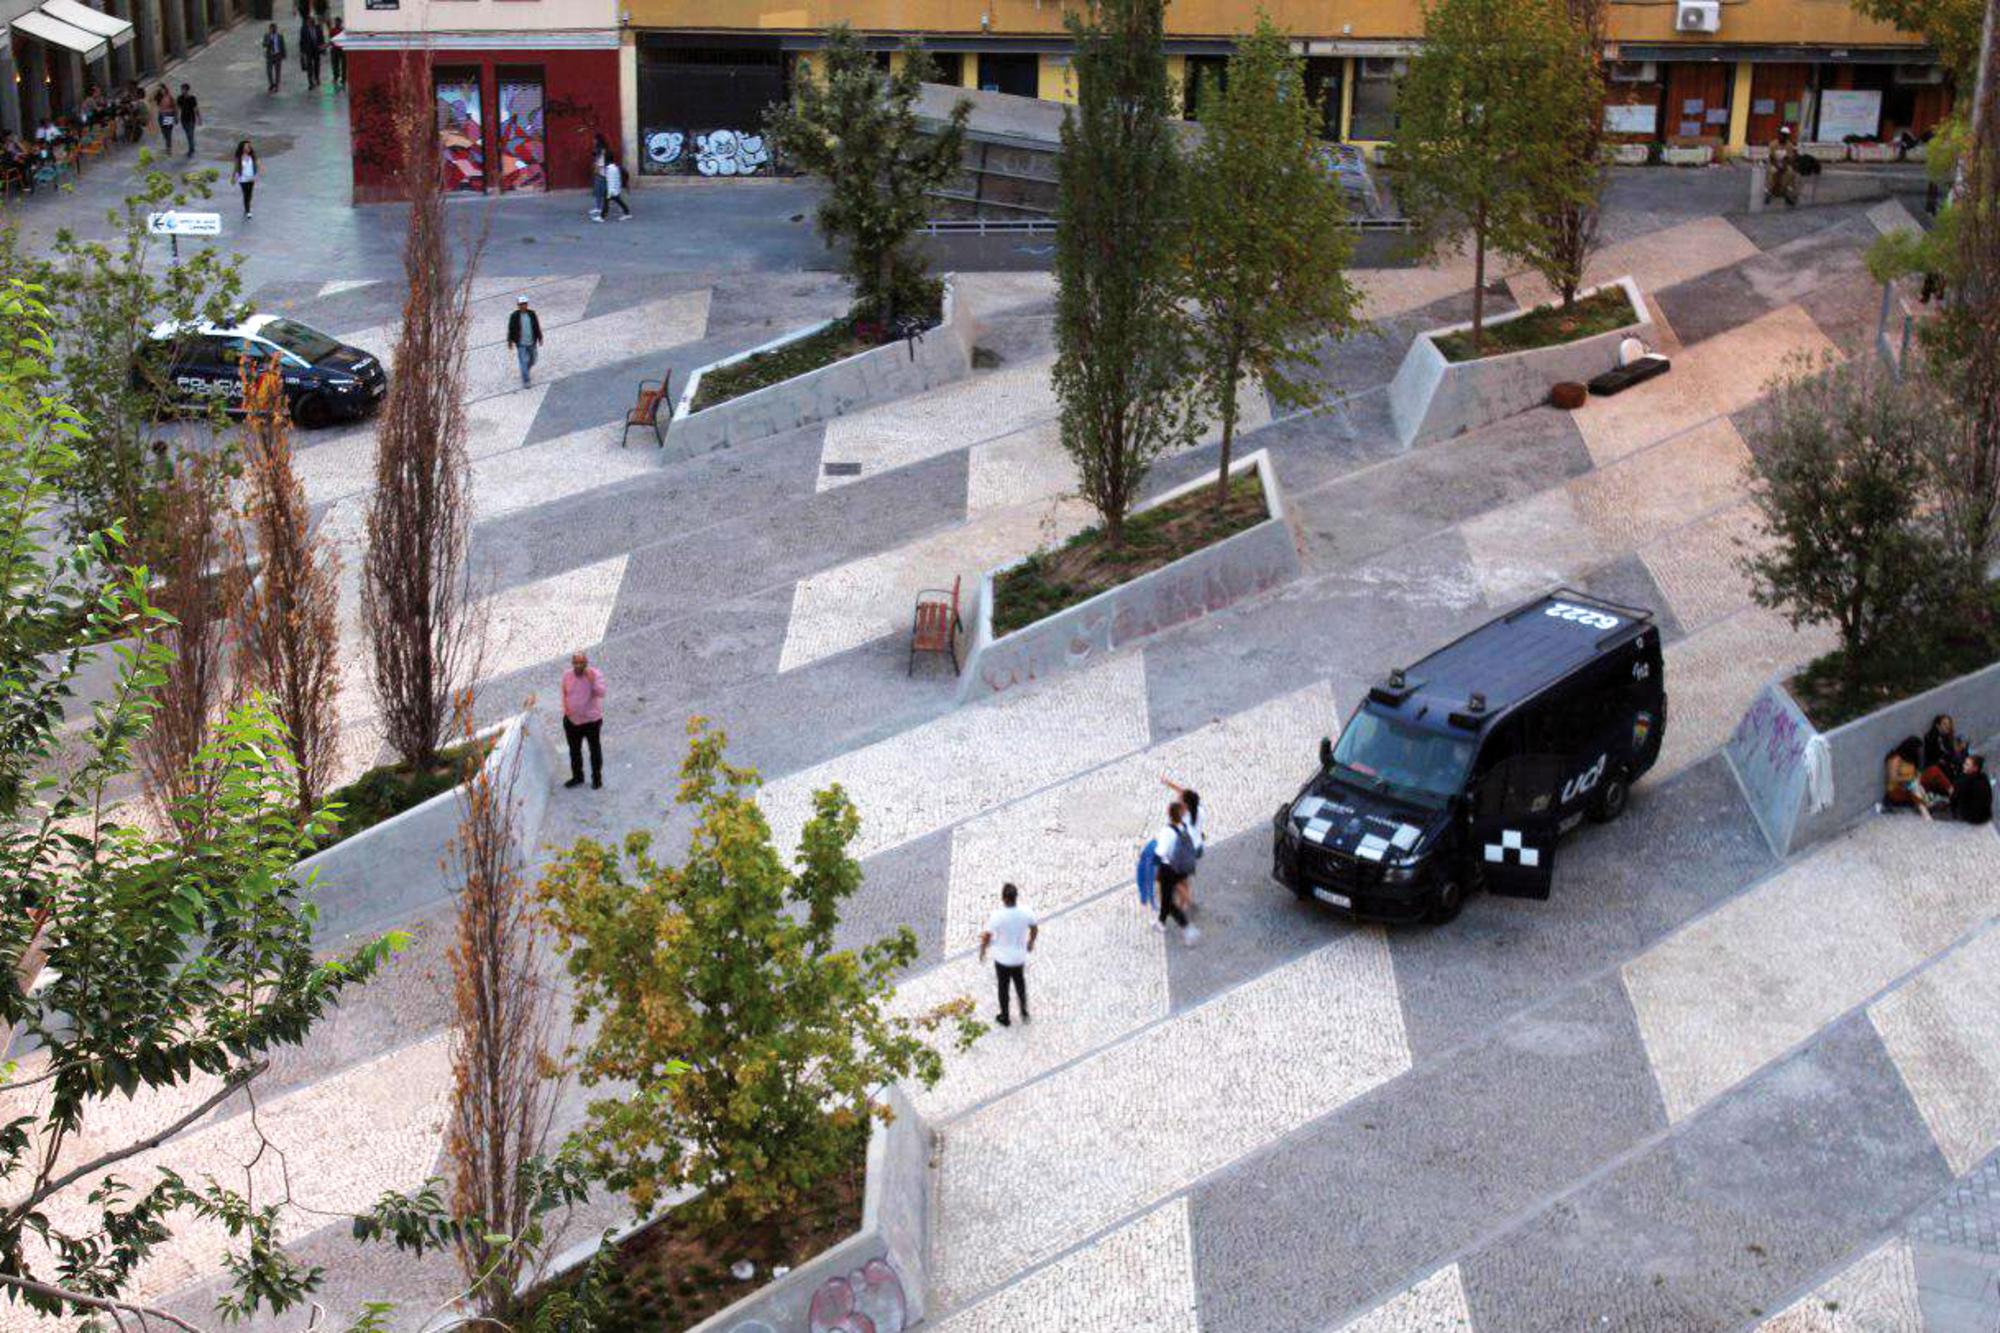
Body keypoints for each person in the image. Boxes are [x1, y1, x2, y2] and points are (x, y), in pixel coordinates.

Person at [978, 883, 1038, 1027]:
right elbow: (1034, 928)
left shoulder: (997, 916)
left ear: (1003, 898)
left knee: (1003, 987)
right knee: (1020, 984)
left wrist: (982, 951)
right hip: (1018, 957)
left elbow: (987, 936)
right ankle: (1024, 1012)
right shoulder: (1026, 912)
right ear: (1016, 897)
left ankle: (1005, 1017)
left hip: (1002, 959)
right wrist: (1030, 942)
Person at [1154, 802, 1200, 944]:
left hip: (1168, 869)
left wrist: (1155, 868)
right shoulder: (1185, 827)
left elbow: (1160, 852)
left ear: (1169, 814)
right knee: (1167, 897)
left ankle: (1187, 928)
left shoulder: (1167, 831)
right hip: (1181, 868)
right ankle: (1161, 923)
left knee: (1167, 901)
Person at [559, 652, 605, 790]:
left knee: (594, 750)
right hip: (572, 721)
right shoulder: (567, 675)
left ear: (586, 663)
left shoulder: (595, 674)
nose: (578, 666)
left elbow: (601, 693)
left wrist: (591, 681)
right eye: (575, 663)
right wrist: (565, 709)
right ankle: (577, 777)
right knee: (574, 751)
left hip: (591, 721)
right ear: (572, 664)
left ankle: (597, 778)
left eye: (581, 663)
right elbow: (564, 693)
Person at [506, 294, 543, 388]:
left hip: (531, 341)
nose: (523, 306)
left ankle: (525, 370)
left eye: (525, 304)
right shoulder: (514, 316)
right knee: (523, 361)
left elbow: (536, 326)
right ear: (518, 305)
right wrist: (510, 341)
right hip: (521, 343)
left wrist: (540, 337)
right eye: (521, 304)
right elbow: (511, 329)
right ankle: (526, 380)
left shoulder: (531, 314)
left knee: (533, 359)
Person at [1765, 126, 1801, 209]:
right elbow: (1771, 157)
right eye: (1782, 135)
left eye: (1786, 135)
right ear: (1779, 135)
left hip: (1784, 163)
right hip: (1774, 163)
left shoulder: (1789, 145)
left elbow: (1788, 158)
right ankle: (1768, 192)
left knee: (1791, 172)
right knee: (1771, 172)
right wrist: (1777, 166)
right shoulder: (1773, 144)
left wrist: (1784, 166)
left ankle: (1785, 191)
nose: (1783, 137)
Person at [1952, 754, 1992, 826]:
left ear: (1975, 768)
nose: (1964, 766)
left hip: (1971, 818)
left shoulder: (1965, 781)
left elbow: (1955, 797)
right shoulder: (1984, 778)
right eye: (1965, 764)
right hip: (1985, 816)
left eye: (1967, 765)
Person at [231, 140, 258, 218]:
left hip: (251, 178)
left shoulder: (252, 156)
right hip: (243, 179)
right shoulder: (239, 158)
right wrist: (233, 178)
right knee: (246, 194)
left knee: (250, 194)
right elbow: (236, 168)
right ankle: (248, 210)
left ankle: (247, 206)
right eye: (246, 146)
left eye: (249, 146)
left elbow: (255, 164)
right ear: (242, 148)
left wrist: (257, 173)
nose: (248, 148)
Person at [601, 155, 632, 220]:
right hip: (613, 189)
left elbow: (611, 180)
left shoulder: (610, 169)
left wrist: (611, 191)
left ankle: (603, 216)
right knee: (613, 201)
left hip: (611, 189)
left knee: (614, 201)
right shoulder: (614, 167)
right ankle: (603, 216)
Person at [588, 134, 610, 219]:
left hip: (602, 174)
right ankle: (598, 208)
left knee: (602, 192)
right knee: (598, 192)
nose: (593, 141)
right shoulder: (599, 150)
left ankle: (602, 209)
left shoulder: (602, 151)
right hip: (599, 173)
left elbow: (601, 163)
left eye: (595, 140)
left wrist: (596, 169)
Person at [301, 15, 324, 90]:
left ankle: (317, 78)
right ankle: (310, 82)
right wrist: (302, 51)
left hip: (316, 49)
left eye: (311, 21)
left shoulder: (318, 28)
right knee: (309, 66)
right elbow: (302, 41)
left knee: (317, 65)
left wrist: (322, 48)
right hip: (308, 51)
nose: (310, 23)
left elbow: (321, 38)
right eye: (309, 22)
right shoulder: (304, 30)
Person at [176, 84, 199, 157]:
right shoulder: (180, 98)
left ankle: (191, 149)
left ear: (187, 90)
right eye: (182, 89)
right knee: (188, 134)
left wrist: (199, 118)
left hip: (191, 119)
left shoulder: (192, 98)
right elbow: (178, 108)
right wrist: (176, 117)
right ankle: (192, 146)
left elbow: (195, 108)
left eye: (183, 89)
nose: (182, 91)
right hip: (183, 119)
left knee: (190, 134)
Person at [263, 24, 287, 93]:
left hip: (277, 55)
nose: (272, 30)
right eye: (271, 29)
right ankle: (271, 84)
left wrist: (284, 55)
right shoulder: (266, 36)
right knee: (269, 71)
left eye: (274, 29)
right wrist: (269, 40)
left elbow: (283, 45)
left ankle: (277, 85)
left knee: (277, 72)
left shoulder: (280, 36)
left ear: (276, 29)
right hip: (270, 56)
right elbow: (264, 44)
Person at [151, 86, 176, 153]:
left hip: (169, 115)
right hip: (161, 116)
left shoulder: (169, 97)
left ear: (166, 89)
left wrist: (175, 116)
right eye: (161, 90)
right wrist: (156, 91)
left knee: (168, 132)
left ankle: (168, 147)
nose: (162, 91)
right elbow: (151, 99)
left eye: (163, 89)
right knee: (163, 131)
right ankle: (168, 145)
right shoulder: (159, 97)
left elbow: (174, 106)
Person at [328, 18, 346, 89]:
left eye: (338, 22)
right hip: (335, 49)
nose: (337, 23)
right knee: (335, 64)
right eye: (336, 22)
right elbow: (331, 40)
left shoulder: (343, 31)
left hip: (341, 49)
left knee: (343, 65)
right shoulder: (332, 30)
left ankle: (343, 78)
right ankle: (336, 76)